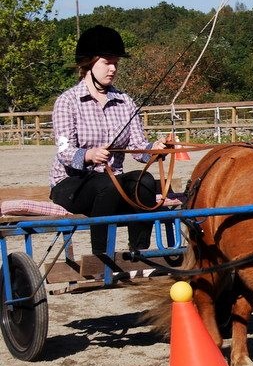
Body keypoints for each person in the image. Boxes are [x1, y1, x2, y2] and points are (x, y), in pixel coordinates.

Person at [49, 25, 166, 255]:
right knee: (106, 185)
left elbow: (138, 147)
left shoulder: (125, 102)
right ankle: (101, 256)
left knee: (145, 182)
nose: (113, 69)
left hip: (111, 183)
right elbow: (63, 150)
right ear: (88, 64)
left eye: (116, 63)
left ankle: (138, 252)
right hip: (71, 183)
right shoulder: (67, 102)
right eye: (106, 62)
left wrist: (155, 148)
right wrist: (89, 155)